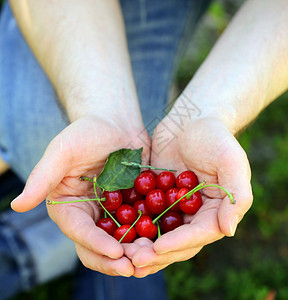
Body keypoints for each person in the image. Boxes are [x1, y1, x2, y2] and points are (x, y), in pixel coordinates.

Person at [1, 0, 288, 298]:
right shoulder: (145, 196)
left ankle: (30, 242)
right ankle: (38, 241)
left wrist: (209, 112)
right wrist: (102, 111)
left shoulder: (157, 197)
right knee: (37, 127)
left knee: (120, 141)